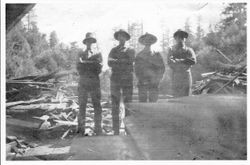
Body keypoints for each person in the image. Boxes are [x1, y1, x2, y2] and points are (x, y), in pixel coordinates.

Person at [108, 29, 135, 135]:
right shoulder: (113, 50)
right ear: (118, 38)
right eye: (119, 36)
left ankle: (129, 131)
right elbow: (109, 62)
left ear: (126, 38)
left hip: (127, 80)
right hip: (115, 80)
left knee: (128, 105)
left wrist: (117, 61)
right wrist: (122, 61)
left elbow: (130, 61)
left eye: (123, 36)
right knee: (115, 105)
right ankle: (115, 131)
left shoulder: (131, 50)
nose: (121, 38)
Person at [76, 32, 103, 136]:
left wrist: (85, 63)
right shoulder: (80, 53)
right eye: (88, 41)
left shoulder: (98, 53)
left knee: (97, 106)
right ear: (85, 42)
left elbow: (99, 68)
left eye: (91, 41)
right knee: (82, 106)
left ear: (93, 42)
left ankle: (98, 129)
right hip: (83, 82)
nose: (89, 43)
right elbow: (79, 67)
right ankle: (81, 130)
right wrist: (92, 63)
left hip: (94, 82)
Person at [135, 33, 165, 102]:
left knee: (153, 104)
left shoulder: (157, 54)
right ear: (143, 42)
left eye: (149, 40)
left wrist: (157, 79)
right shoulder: (139, 55)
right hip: (142, 83)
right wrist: (142, 80)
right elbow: (137, 70)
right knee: (142, 104)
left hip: (154, 83)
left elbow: (162, 68)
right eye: (145, 40)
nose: (147, 41)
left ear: (152, 42)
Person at [167, 29, 197, 97]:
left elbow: (193, 61)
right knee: (176, 96)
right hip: (176, 75)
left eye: (182, 37)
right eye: (178, 37)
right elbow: (170, 62)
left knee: (186, 96)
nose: (181, 39)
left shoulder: (189, 50)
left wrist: (179, 60)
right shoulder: (172, 49)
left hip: (186, 75)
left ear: (185, 39)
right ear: (176, 39)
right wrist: (185, 61)